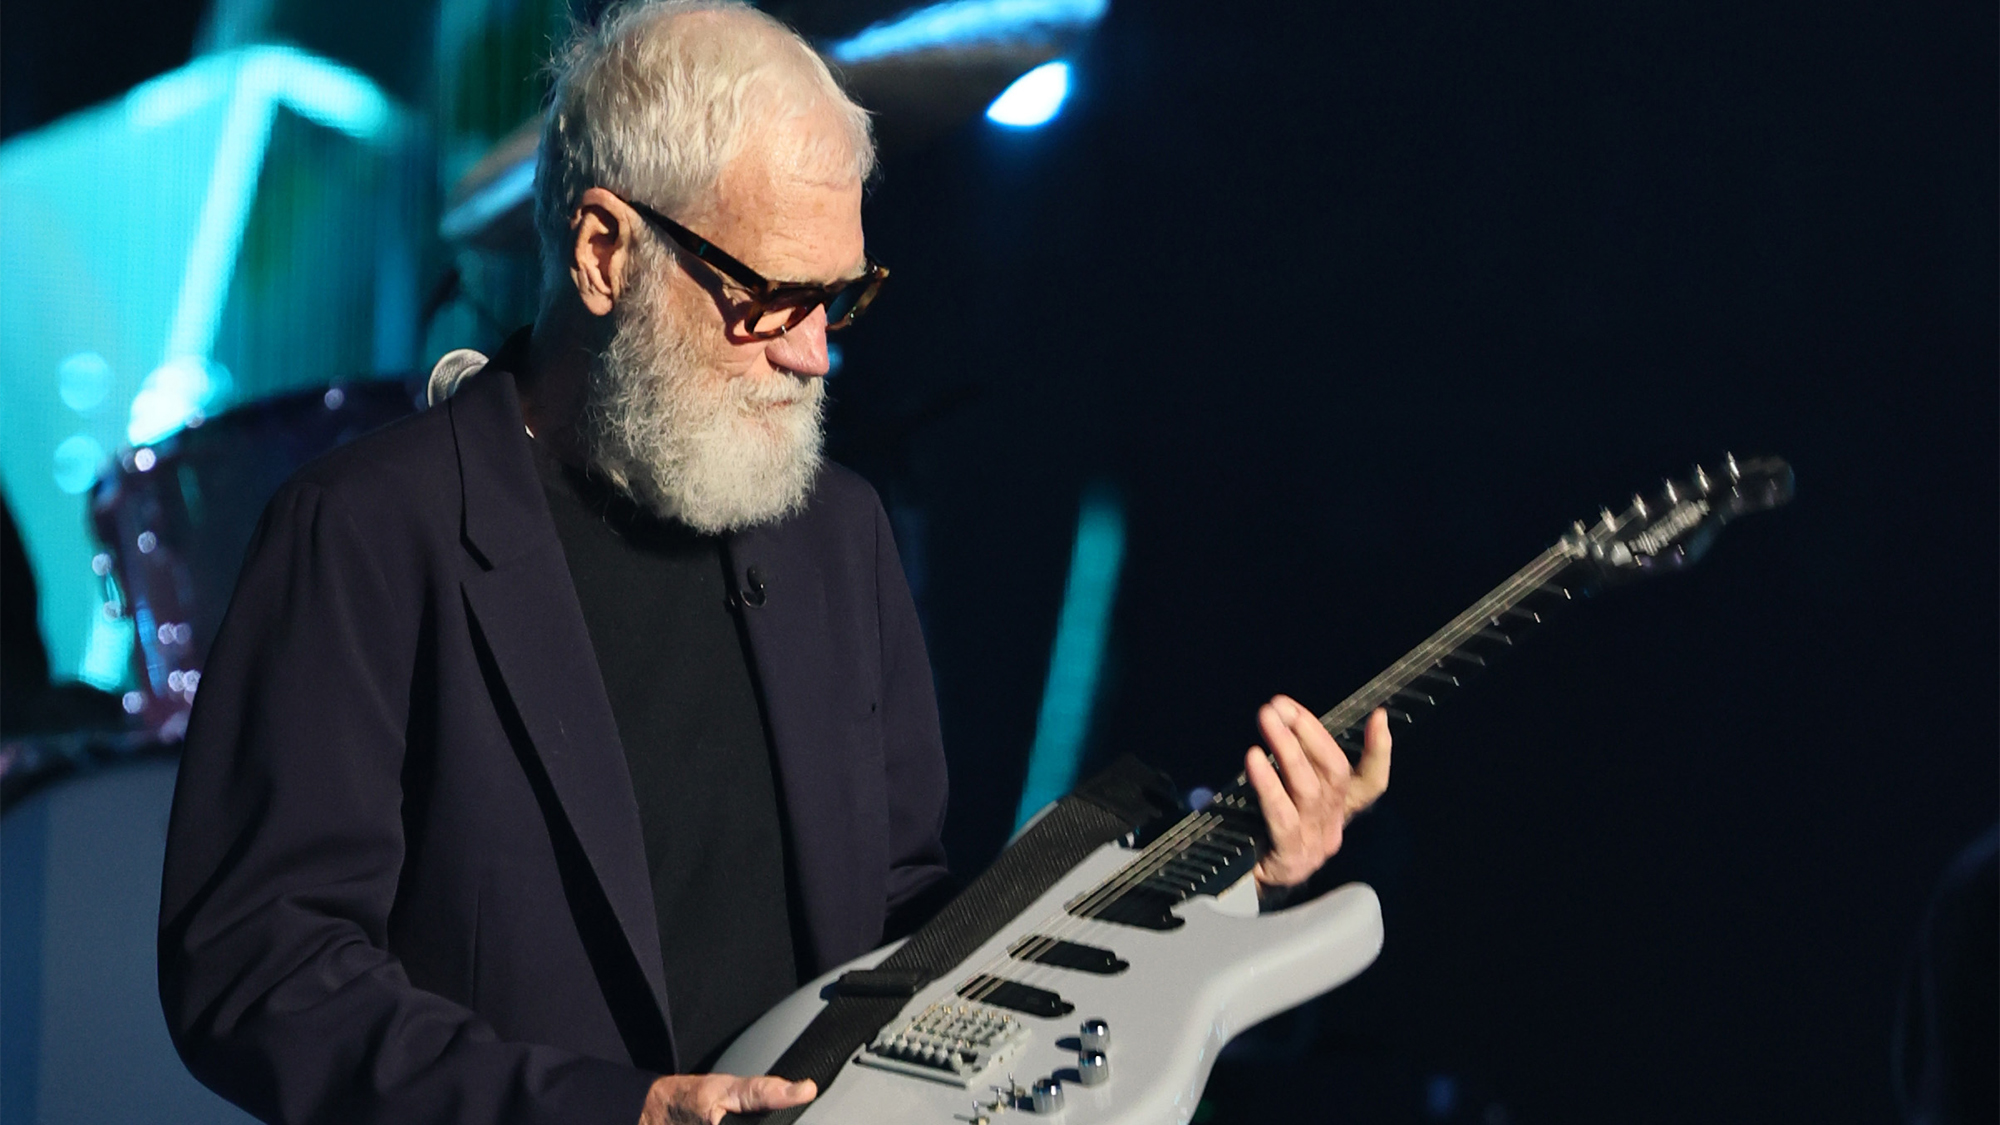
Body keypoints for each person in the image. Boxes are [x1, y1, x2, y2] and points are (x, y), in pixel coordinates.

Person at [157, 3, 1393, 1123]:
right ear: (601, 253)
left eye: (838, 300)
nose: (815, 355)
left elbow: (910, 932)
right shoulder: (367, 529)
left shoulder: (836, 535)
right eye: (773, 299)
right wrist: (613, 1111)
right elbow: (259, 965)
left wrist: (1223, 878)